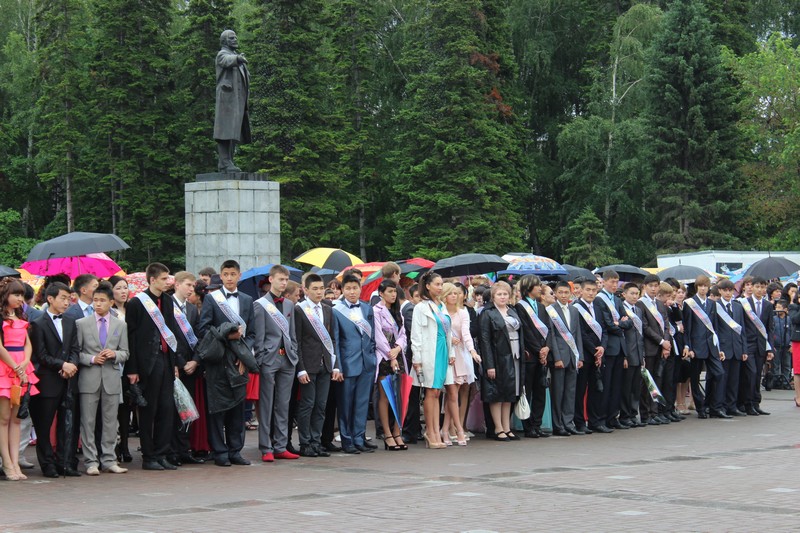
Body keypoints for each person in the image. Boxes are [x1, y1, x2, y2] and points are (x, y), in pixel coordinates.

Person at [198, 260, 256, 466]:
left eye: (233, 274)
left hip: (239, 362)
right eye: (226, 274)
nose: (230, 278)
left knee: (238, 409)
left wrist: (244, 356)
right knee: (217, 408)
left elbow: (252, 334)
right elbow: (203, 329)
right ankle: (219, 451)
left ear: (239, 275)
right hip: (218, 360)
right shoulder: (212, 299)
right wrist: (226, 336)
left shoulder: (248, 300)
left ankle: (235, 450)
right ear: (220, 276)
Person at [125, 262, 181, 470]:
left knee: (167, 409)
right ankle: (149, 455)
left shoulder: (167, 301)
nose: (168, 282)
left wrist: (175, 363)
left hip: (166, 360)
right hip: (146, 362)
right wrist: (133, 369)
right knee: (149, 410)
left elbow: (171, 331)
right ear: (152, 280)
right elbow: (131, 337)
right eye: (165, 278)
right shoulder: (137, 303)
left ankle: (162, 452)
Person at [76, 282, 129, 475]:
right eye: (95, 300)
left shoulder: (120, 325)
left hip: (111, 378)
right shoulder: (82, 324)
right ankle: (91, 461)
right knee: (88, 422)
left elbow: (125, 352)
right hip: (89, 379)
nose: (98, 304)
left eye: (102, 301)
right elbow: (77, 353)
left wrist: (114, 354)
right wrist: (91, 359)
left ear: (111, 302)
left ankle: (109, 459)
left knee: (110, 422)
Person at [30, 281, 79, 477]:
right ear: (50, 299)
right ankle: (47, 463)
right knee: (44, 425)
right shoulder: (38, 323)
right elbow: (40, 354)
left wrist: (72, 365)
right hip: (47, 380)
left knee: (67, 424)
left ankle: (65, 462)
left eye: (69, 298)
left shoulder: (70, 321)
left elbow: (75, 347)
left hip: (68, 379)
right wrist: (62, 365)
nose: (67, 302)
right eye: (63, 298)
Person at [253, 264, 299, 462]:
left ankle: (280, 445)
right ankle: (266, 447)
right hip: (269, 359)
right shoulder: (260, 304)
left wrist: (293, 352)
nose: (283, 283)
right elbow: (258, 336)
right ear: (271, 279)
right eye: (280, 279)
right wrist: (262, 358)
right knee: (266, 405)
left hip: (287, 359)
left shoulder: (289, 305)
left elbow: (292, 334)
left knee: (283, 404)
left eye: (286, 280)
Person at [295, 274, 341, 457]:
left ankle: (316, 441)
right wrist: (301, 368)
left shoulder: (328, 309)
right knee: (308, 404)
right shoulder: (300, 310)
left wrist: (335, 364)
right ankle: (305, 443)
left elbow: (332, 339)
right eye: (314, 288)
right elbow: (297, 341)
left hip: (326, 365)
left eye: (321, 288)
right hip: (308, 365)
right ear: (305, 290)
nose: (319, 292)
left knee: (321, 405)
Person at [333, 274, 377, 453]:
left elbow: (372, 336)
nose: (352, 292)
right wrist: (338, 366)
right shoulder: (336, 310)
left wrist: (372, 356)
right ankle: (347, 439)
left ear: (360, 288)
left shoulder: (367, 308)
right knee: (345, 404)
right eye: (348, 288)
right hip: (347, 363)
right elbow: (335, 340)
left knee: (362, 403)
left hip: (366, 362)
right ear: (343, 290)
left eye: (355, 288)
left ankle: (359, 437)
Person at [0, 278, 38, 480]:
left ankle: (15, 462)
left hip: (21, 368)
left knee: (17, 419)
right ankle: (7, 464)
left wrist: (24, 363)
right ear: (6, 295)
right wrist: (15, 366)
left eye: (21, 295)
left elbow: (27, 343)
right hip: (5, 368)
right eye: (16, 294)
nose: (20, 298)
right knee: (4, 419)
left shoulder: (21, 318)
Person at [410, 272, 453, 449]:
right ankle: (431, 431)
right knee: (430, 392)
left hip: (443, 351)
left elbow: (449, 332)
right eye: (437, 284)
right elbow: (416, 335)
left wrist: (452, 353)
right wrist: (417, 358)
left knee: (438, 392)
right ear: (427, 286)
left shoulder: (442, 306)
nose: (440, 287)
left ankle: (436, 430)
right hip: (429, 352)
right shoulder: (421, 308)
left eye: (441, 284)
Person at [479, 281, 523, 442]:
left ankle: (507, 426)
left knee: (510, 392)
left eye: (505, 294)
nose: (503, 297)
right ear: (493, 296)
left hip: (515, 355)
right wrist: (489, 365)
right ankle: (497, 427)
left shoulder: (512, 311)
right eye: (499, 294)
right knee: (497, 393)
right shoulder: (487, 313)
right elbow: (484, 341)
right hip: (498, 357)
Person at [169, 271, 204, 465]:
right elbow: (168, 337)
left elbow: (198, 337)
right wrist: (180, 362)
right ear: (177, 285)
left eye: (193, 286)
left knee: (187, 409)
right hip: (175, 366)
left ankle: (184, 448)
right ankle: (173, 449)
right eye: (188, 285)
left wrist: (196, 361)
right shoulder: (167, 306)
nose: (192, 289)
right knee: (173, 410)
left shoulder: (192, 309)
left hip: (191, 366)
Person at [514, 275, 551, 439]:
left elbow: (548, 329)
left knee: (540, 390)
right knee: (527, 391)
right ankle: (527, 426)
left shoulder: (542, 308)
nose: (540, 289)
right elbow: (527, 332)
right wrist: (539, 350)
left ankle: (537, 424)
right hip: (530, 355)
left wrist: (547, 347)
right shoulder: (520, 307)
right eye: (537, 286)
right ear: (529, 287)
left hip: (542, 355)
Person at [373, 279, 409, 451]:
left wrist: (398, 348)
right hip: (384, 357)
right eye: (389, 291)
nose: (393, 295)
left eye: (394, 292)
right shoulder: (376, 311)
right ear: (381, 293)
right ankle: (387, 434)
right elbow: (378, 336)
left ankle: (397, 431)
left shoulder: (398, 311)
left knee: (399, 395)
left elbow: (403, 334)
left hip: (398, 354)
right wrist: (390, 354)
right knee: (385, 395)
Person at [683, 275, 725, 419]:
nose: (703, 288)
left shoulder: (712, 304)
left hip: (711, 346)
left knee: (719, 374)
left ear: (708, 288)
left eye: (705, 286)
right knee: (695, 378)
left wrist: (719, 348)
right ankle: (701, 407)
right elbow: (687, 327)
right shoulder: (689, 303)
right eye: (700, 286)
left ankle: (714, 406)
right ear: (697, 287)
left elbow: (715, 328)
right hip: (696, 346)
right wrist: (688, 346)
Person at [546, 281, 583, 436]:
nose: (563, 295)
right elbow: (552, 335)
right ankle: (558, 424)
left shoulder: (574, 310)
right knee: (558, 391)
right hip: (560, 356)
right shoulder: (551, 310)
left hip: (572, 355)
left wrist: (579, 356)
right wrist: (556, 357)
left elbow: (577, 334)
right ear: (555, 293)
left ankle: (568, 422)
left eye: (566, 292)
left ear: (570, 293)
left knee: (570, 391)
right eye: (560, 292)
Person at [572, 278, 609, 433]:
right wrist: (595, 349)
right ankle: (580, 422)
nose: (591, 293)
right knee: (580, 390)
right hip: (585, 355)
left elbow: (605, 330)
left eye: (594, 290)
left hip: (598, 355)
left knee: (597, 389)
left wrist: (602, 347)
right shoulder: (576, 308)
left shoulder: (599, 308)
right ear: (581, 290)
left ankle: (596, 421)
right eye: (588, 290)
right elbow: (581, 333)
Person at [596, 270, 631, 430]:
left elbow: (628, 321)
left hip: (620, 347)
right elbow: (608, 325)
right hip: (609, 347)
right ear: (604, 282)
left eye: (616, 282)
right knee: (606, 385)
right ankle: (601, 418)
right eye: (611, 282)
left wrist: (620, 324)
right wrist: (619, 325)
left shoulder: (617, 300)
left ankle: (613, 417)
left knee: (617, 385)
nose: (614, 285)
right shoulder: (599, 300)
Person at [214, 29, 250, 173]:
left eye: (235, 37)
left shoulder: (235, 56)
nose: (235, 40)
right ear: (224, 41)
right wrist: (238, 60)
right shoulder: (223, 54)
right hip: (227, 101)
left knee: (233, 132)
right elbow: (226, 61)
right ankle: (224, 163)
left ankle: (229, 162)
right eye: (231, 38)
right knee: (224, 131)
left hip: (237, 102)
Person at [715, 279, 750, 417]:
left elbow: (742, 329)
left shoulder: (737, 306)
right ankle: (720, 406)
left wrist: (744, 349)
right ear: (720, 291)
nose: (728, 293)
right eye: (725, 290)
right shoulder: (715, 306)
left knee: (734, 380)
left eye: (730, 290)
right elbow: (715, 329)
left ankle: (732, 405)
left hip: (736, 348)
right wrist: (718, 348)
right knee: (722, 379)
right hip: (723, 347)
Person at [740, 277, 772, 415]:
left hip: (761, 345)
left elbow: (770, 328)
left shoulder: (768, 305)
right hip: (748, 344)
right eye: (757, 287)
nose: (760, 290)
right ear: (751, 287)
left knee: (758, 374)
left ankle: (756, 402)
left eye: (763, 287)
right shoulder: (744, 303)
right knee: (750, 373)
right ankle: (747, 403)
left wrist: (770, 348)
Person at [619, 283, 646, 428]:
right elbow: (622, 334)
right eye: (632, 293)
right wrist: (624, 356)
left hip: (637, 352)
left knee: (636, 387)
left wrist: (642, 355)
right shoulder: (621, 309)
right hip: (627, 354)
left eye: (637, 293)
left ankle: (633, 414)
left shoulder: (639, 310)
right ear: (624, 294)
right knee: (626, 387)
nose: (635, 296)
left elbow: (640, 335)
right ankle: (624, 415)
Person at [401, 283, 423, 444]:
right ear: (411, 297)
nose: (420, 300)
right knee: (412, 394)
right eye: (417, 297)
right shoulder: (410, 310)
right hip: (412, 357)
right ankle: (410, 430)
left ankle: (417, 429)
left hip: (423, 355)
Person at [769, 299, 791, 389]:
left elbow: (792, 332)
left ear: (785, 309)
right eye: (776, 307)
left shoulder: (789, 319)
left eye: (779, 307)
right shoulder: (773, 319)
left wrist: (791, 344)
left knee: (786, 364)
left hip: (787, 345)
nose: (777, 309)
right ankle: (777, 382)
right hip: (776, 345)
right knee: (776, 365)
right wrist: (771, 345)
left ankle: (786, 382)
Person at [788, 294, 800, 406]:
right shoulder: (793, 307)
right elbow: (795, 320)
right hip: (798, 340)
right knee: (798, 370)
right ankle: (798, 397)